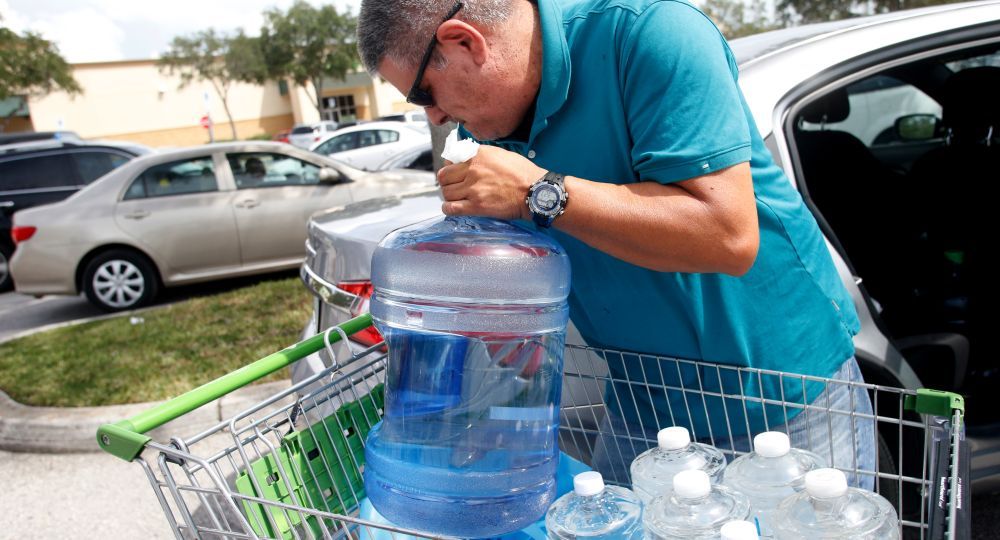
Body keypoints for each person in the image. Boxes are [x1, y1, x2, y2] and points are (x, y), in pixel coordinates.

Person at [357, 0, 875, 487]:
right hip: (643, 400)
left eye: (425, 92)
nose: (434, 116)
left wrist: (540, 191)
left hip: (780, 400)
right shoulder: (497, 115)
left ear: (465, 42)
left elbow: (728, 235)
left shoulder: (651, 34)